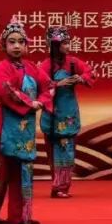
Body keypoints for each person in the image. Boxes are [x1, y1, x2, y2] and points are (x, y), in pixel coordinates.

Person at [0, 18, 54, 224]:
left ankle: (19, 216)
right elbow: (4, 89)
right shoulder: (1, 68)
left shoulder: (32, 68)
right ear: (4, 45)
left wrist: (42, 101)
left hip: (26, 128)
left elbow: (49, 86)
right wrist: (31, 103)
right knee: (1, 171)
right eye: (12, 42)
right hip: (5, 126)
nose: (17, 46)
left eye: (21, 41)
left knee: (24, 171)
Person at [38, 25, 94, 198]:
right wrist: (56, 84)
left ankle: (62, 186)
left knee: (67, 150)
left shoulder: (73, 62)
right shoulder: (45, 65)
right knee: (52, 153)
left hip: (68, 112)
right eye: (64, 43)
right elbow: (38, 86)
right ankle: (56, 185)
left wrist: (81, 78)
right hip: (51, 114)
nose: (67, 46)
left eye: (68, 42)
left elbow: (90, 72)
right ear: (54, 45)